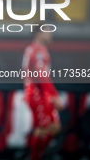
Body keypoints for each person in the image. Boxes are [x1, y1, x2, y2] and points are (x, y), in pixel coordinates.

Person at [22, 25, 63, 160]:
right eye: (48, 31)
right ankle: (34, 156)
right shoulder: (37, 50)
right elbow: (41, 76)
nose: (51, 34)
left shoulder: (40, 50)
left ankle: (34, 155)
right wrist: (54, 95)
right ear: (38, 33)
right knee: (44, 129)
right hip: (37, 93)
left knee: (52, 127)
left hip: (40, 93)